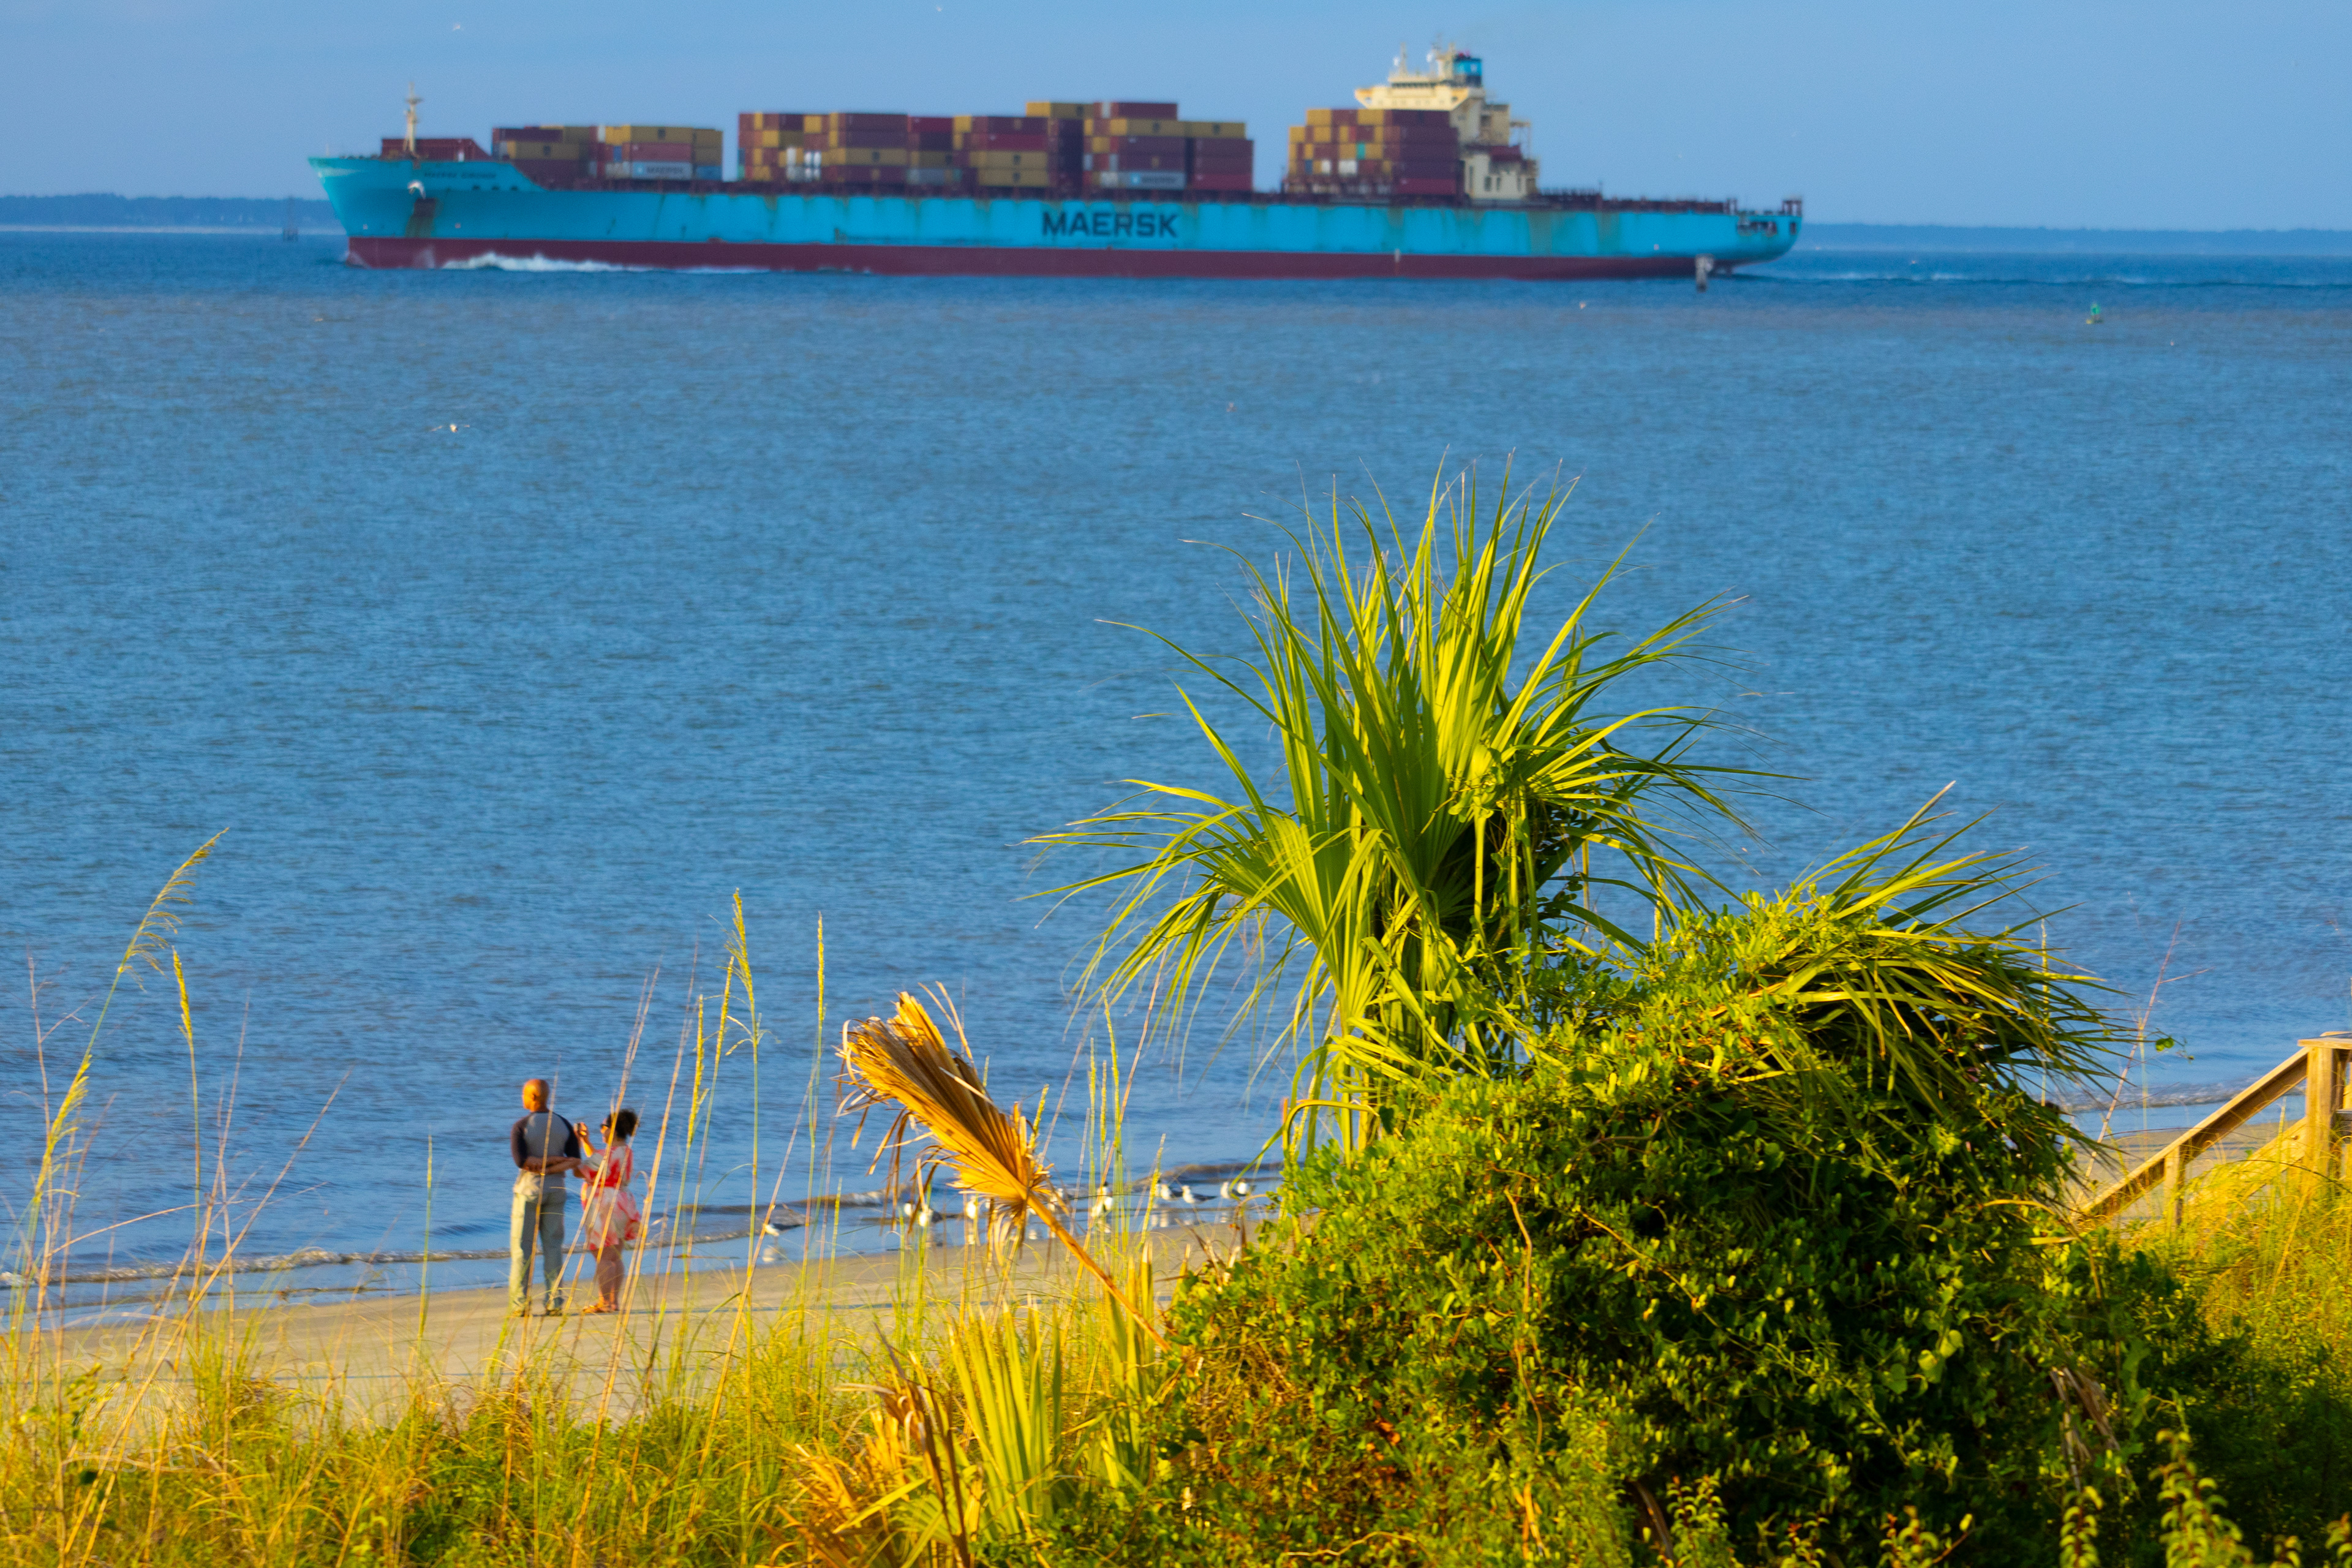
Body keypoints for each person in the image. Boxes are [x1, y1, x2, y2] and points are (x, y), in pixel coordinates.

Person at [508, 1077, 583, 1316]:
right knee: (553, 1247)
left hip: (529, 1192)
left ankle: (520, 1305)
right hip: (556, 1191)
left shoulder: (522, 1126)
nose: (522, 1098)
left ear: (533, 1097)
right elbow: (573, 1161)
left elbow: (523, 1162)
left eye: (524, 1094)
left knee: (522, 1250)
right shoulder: (563, 1123)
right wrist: (555, 1163)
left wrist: (542, 1167)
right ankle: (554, 1302)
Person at [573, 1109, 641, 1314]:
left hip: (604, 1205)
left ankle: (605, 1302)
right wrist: (586, 1142)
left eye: (603, 1127)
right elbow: (600, 1161)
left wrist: (576, 1145)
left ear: (612, 1130)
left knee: (602, 1255)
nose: (601, 1130)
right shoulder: (626, 1152)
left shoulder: (606, 1154)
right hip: (623, 1202)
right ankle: (614, 1301)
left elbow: (579, 1170)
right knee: (615, 1256)